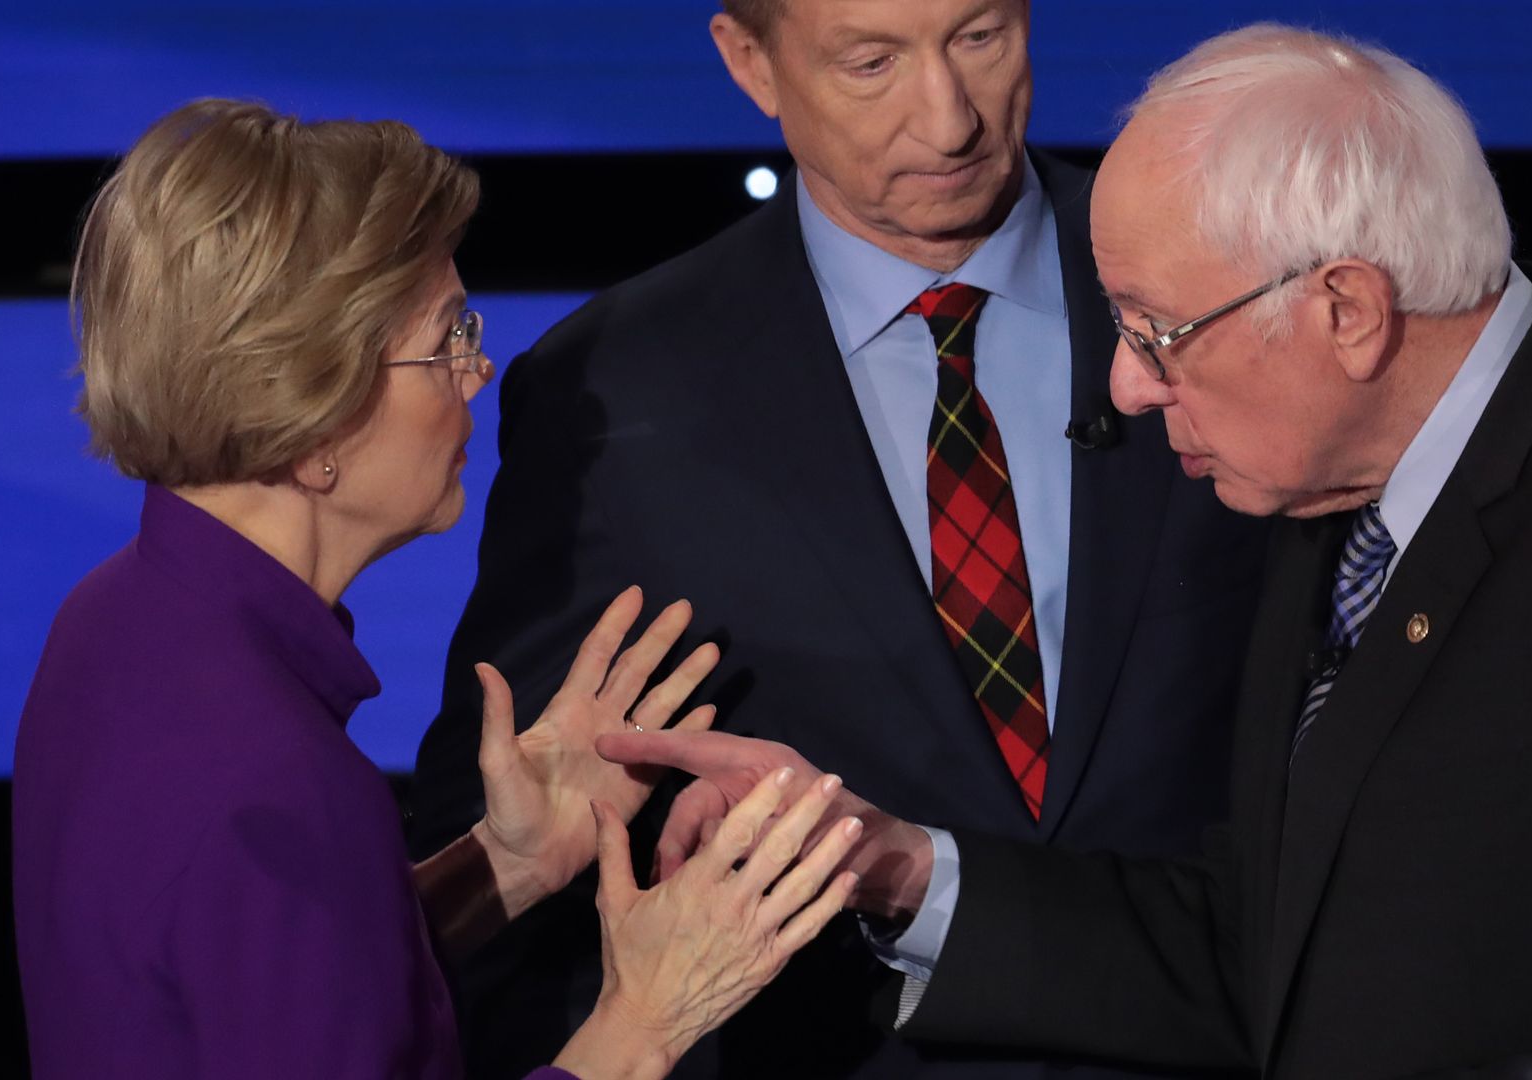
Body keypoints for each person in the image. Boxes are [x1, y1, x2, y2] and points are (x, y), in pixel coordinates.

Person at [600, 23, 1532, 1078]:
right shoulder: (1344, 493)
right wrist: (898, 866)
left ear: (1346, 310)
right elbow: (1267, 948)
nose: (1123, 385)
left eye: (1155, 331)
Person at [408, 2, 1268, 1075]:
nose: (949, 119)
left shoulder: (1234, 286)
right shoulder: (617, 388)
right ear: (749, 61)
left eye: (981, 38)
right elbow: (515, 841)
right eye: (871, 63)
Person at [10, 98, 860, 1080]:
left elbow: (271, 994)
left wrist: (504, 864)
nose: (480, 368)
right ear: (314, 412)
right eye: (448, 335)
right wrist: (647, 1021)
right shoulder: (275, 780)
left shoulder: (114, 619)